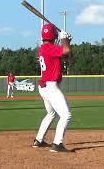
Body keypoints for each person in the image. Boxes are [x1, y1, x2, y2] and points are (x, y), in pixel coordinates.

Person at [32, 23, 73, 152]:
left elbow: (67, 56)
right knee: (66, 115)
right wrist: (64, 39)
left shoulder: (44, 48)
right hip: (51, 87)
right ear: (53, 35)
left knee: (51, 113)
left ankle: (38, 140)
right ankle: (57, 144)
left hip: (45, 87)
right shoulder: (49, 47)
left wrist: (67, 41)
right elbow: (66, 51)